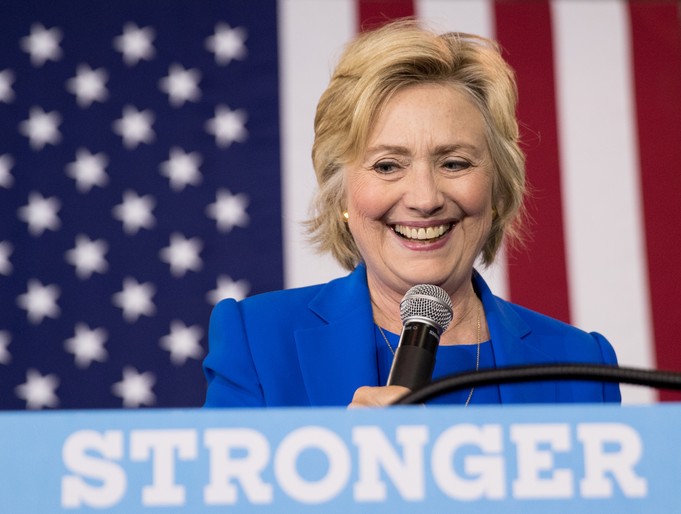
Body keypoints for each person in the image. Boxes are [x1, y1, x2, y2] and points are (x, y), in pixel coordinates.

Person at [202, 19, 621, 408]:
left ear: (498, 187)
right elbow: (220, 489)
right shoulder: (256, 341)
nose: (424, 199)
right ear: (341, 194)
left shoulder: (583, 363)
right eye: (387, 166)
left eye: (454, 163)